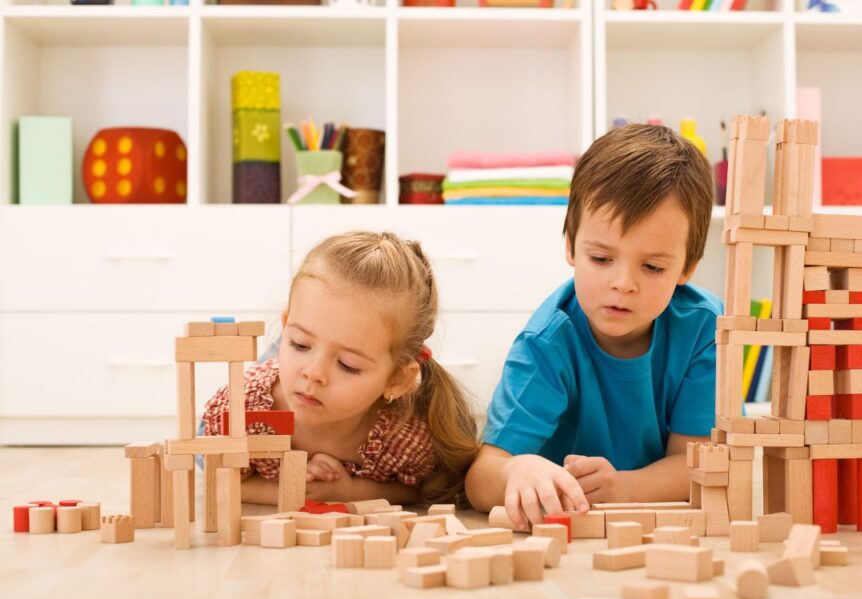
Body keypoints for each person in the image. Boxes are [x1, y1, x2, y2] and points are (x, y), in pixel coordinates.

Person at [465, 124, 722, 529]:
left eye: (653, 267)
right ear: (570, 245)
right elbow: (481, 479)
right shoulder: (546, 345)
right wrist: (516, 472)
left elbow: (700, 463)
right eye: (602, 259)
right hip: (565, 530)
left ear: (687, 268)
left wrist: (625, 487)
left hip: (650, 529)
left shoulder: (706, 330)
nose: (623, 283)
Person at [201, 231, 480, 505]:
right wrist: (295, 491)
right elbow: (221, 482)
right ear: (285, 325)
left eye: (348, 365)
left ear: (396, 380)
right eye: (299, 343)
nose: (314, 373)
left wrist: (352, 491)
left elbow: (421, 491)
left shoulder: (404, 438)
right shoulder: (238, 411)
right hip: (257, 395)